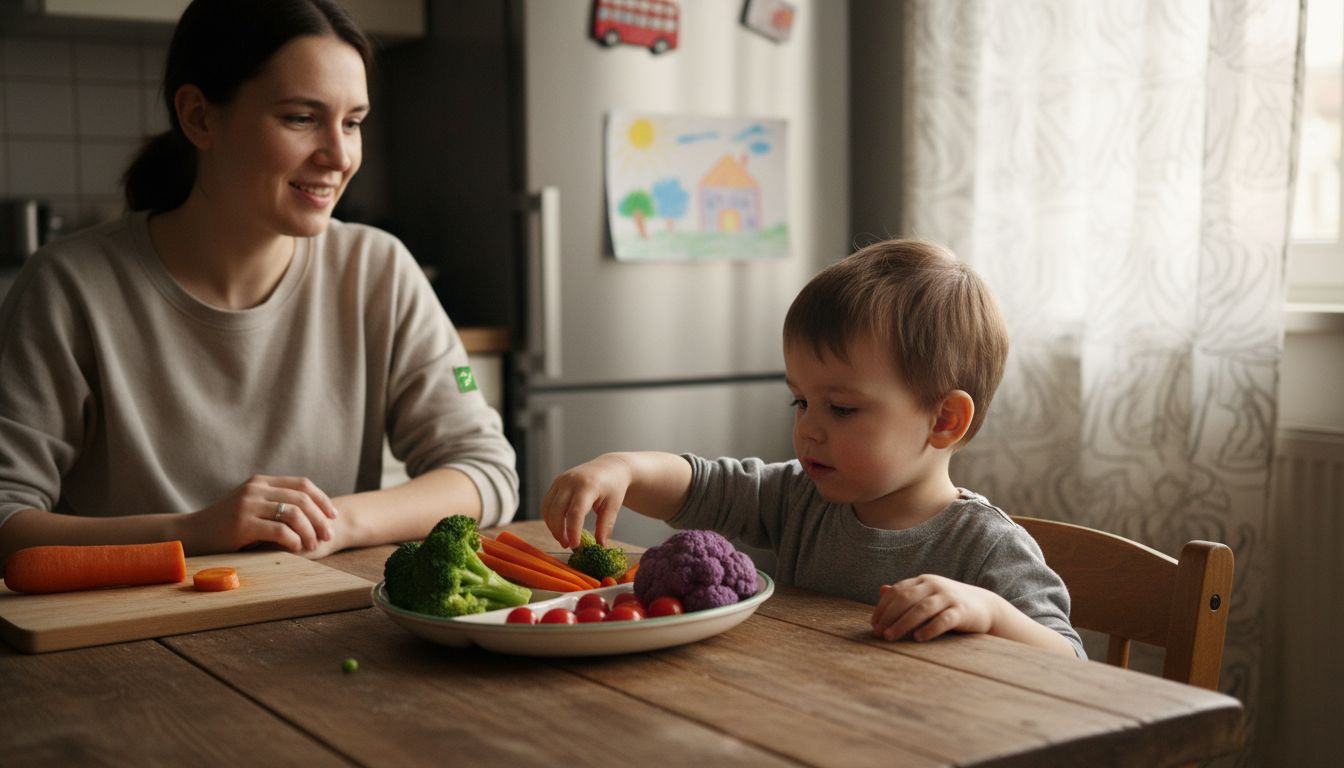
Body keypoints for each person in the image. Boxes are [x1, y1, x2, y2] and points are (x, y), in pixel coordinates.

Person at [0, 0, 517, 571]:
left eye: (353, 122)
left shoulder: (379, 271)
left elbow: (484, 469)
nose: (340, 156)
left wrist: (334, 522)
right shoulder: (68, 288)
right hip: (120, 645)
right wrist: (195, 531)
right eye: (301, 118)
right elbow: (6, 516)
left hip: (321, 627)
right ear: (199, 117)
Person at [541, 239, 1084, 657]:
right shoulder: (802, 498)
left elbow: (1072, 666)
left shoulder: (986, 546)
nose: (808, 430)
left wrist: (988, 611)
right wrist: (624, 469)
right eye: (799, 402)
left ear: (944, 420)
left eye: (842, 408)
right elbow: (705, 484)